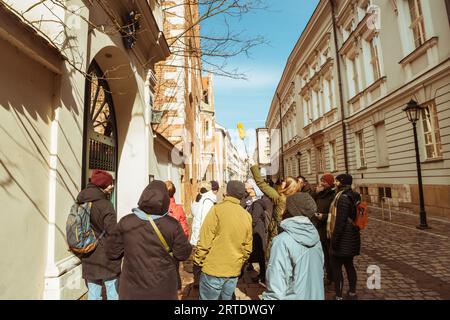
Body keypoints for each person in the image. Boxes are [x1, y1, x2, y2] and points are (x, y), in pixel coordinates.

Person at [106, 180, 192, 300]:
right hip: (163, 290)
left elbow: (111, 252)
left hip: (131, 290)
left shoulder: (126, 222)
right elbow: (183, 254)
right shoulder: (172, 225)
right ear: (165, 201)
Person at [194, 181, 252, 300]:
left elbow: (205, 241)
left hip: (213, 269)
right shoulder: (246, 215)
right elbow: (247, 247)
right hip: (233, 271)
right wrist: (240, 263)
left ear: (227, 193)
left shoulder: (217, 210)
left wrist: (198, 261)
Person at [262, 192, 324, 300]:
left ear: (291, 211)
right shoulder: (314, 234)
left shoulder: (282, 240)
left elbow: (276, 284)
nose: (282, 210)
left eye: (286, 207)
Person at [76, 169, 121, 300]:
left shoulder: (81, 201)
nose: (112, 186)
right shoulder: (106, 205)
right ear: (102, 185)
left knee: (93, 292)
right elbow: (113, 233)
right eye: (109, 184)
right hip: (106, 254)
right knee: (112, 290)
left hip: (88, 250)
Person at [250, 164, 299, 260]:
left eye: (284, 181)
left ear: (288, 186)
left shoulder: (279, 197)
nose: (282, 182)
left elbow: (261, 184)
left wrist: (254, 167)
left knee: (272, 257)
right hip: (289, 234)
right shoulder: (296, 198)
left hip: (276, 233)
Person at [327, 173, 361, 300]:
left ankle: (339, 296)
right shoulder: (354, 195)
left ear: (342, 183)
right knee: (349, 265)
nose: (334, 183)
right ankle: (352, 293)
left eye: (336, 181)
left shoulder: (343, 198)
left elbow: (340, 222)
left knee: (337, 268)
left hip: (343, 238)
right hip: (352, 236)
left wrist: (334, 241)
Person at [190, 181, 219, 288]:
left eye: (199, 189)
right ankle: (199, 281)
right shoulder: (203, 199)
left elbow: (205, 221)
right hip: (200, 235)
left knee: (200, 258)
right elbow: (194, 213)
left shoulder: (207, 200)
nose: (198, 190)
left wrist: (202, 237)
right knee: (200, 257)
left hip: (202, 235)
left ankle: (200, 282)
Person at [243, 179, 273, 284]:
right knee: (259, 253)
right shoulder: (254, 200)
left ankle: (263, 276)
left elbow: (254, 218)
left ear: (253, 189)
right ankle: (261, 275)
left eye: (248, 189)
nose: (246, 191)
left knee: (260, 254)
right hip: (257, 230)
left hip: (257, 231)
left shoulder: (258, 203)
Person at [311, 173, 336, 286]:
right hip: (318, 226)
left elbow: (335, 213)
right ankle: (329, 275)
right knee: (323, 254)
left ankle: (333, 276)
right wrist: (316, 192)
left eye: (324, 182)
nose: (321, 183)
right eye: (321, 181)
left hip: (327, 227)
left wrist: (324, 216)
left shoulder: (333, 195)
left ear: (329, 183)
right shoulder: (320, 193)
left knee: (330, 254)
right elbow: (310, 200)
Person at [165, 180, 190, 291]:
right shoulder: (178, 208)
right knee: (175, 269)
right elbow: (184, 229)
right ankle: (177, 291)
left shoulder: (158, 207)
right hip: (174, 245)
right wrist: (183, 241)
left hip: (160, 244)